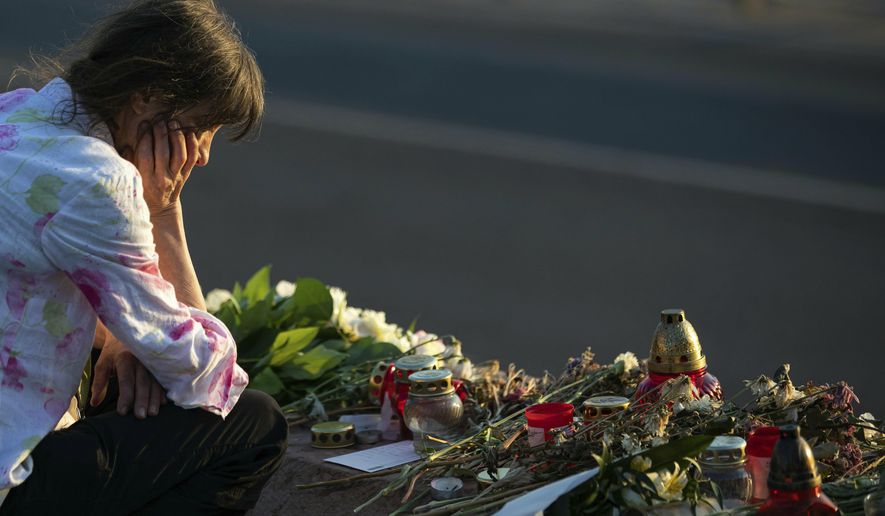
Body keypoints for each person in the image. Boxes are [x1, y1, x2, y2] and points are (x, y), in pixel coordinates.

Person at [0, 0, 287, 514]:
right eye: (203, 128)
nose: (202, 155)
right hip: (8, 480)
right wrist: (166, 214)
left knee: (124, 380)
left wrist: (123, 338)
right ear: (150, 97)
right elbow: (205, 376)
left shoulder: (15, 115)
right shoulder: (98, 181)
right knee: (255, 423)